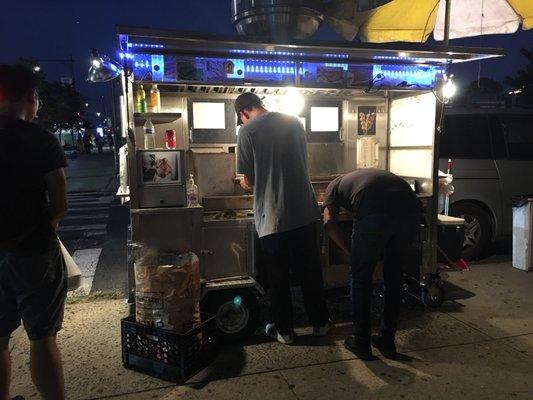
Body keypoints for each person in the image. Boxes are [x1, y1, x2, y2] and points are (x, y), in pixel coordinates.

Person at [235, 92, 331, 345]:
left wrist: (249, 182)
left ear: (243, 113)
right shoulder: (294, 121)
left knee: (278, 278)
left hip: (273, 217)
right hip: (304, 212)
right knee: (310, 272)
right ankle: (320, 324)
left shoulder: (246, 132)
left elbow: (250, 180)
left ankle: (285, 331)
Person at [0, 65, 68, 400]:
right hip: (34, 253)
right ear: (30, 96)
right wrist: (47, 225)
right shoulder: (40, 139)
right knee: (42, 338)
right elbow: (60, 203)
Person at [322, 169, 421, 360]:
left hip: (374, 210)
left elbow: (328, 222)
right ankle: (387, 341)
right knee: (394, 276)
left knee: (361, 278)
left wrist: (349, 252)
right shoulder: (364, 176)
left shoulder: (332, 186)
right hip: (410, 209)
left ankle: (361, 341)